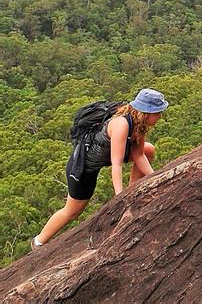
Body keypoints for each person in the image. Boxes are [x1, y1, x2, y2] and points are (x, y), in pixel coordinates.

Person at [31, 88, 169, 250]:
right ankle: (38, 242)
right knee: (73, 211)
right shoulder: (121, 124)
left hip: (106, 155)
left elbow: (138, 155)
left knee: (148, 149)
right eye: (157, 112)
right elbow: (116, 164)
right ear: (146, 112)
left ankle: (134, 191)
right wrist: (120, 197)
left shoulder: (139, 123)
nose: (160, 116)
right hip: (85, 167)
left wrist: (156, 178)